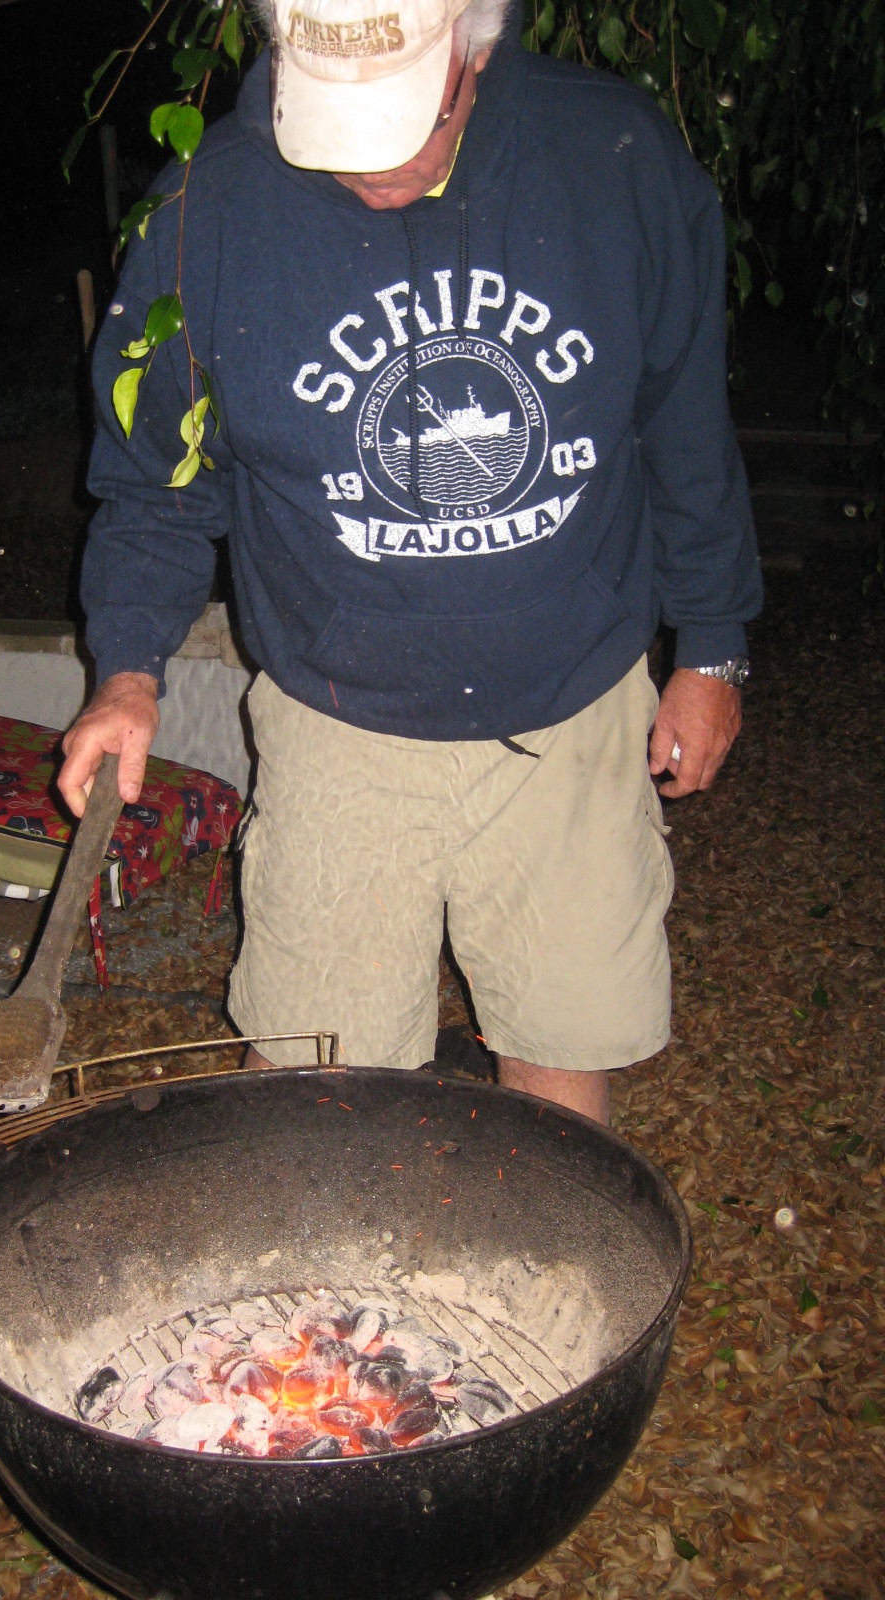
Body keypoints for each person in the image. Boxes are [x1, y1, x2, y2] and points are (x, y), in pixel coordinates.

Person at [58, 0, 762, 1125]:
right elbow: (154, 481)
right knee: (318, 1088)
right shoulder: (206, 210)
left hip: (573, 709)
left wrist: (713, 648)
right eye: (333, 134)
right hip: (338, 719)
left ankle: (545, 1239)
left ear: (475, 52)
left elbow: (685, 422)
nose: (370, 172)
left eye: (403, 130)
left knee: (562, 1054)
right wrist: (129, 669)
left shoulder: (613, 157)